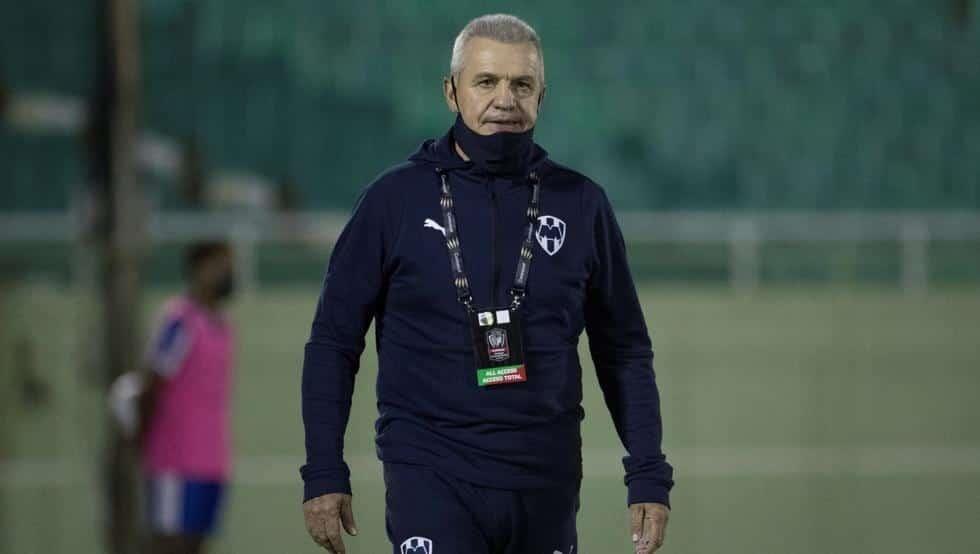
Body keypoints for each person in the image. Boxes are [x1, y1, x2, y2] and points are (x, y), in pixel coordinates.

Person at [301, 14, 673, 554]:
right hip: (430, 473)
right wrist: (323, 470)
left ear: (541, 96)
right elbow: (333, 342)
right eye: (486, 81)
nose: (505, 99)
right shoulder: (393, 201)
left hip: (546, 481)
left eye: (521, 84)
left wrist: (648, 472)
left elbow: (625, 351)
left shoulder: (582, 204)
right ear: (451, 92)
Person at [138, 241, 236, 554]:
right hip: (174, 462)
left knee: (196, 544)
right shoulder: (180, 321)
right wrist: (142, 440)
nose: (228, 274)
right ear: (199, 270)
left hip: (212, 462)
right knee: (169, 544)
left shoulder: (223, 327)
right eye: (221, 267)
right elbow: (152, 383)